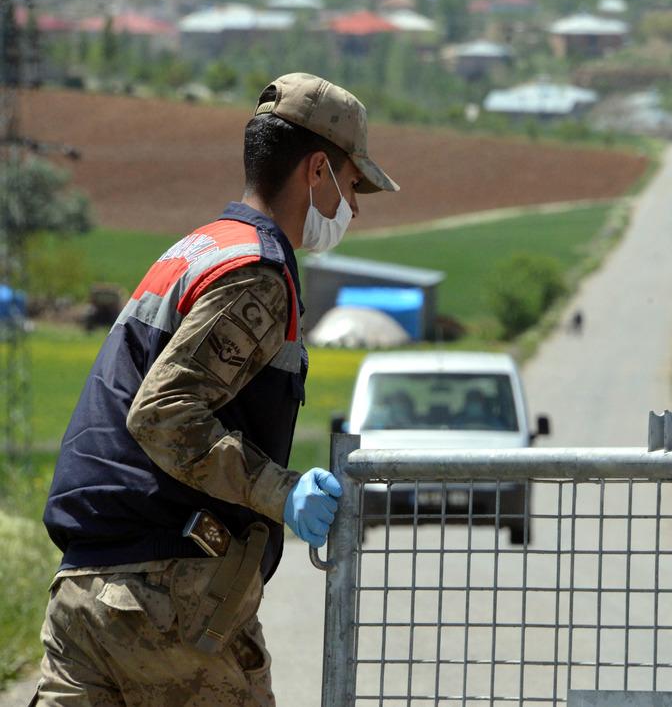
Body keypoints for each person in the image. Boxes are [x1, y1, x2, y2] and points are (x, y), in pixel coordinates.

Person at [32, 72, 400, 705]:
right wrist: (282, 492)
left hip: (83, 593)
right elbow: (163, 413)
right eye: (352, 184)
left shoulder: (196, 250)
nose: (356, 208)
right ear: (317, 171)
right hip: (168, 598)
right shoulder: (256, 272)